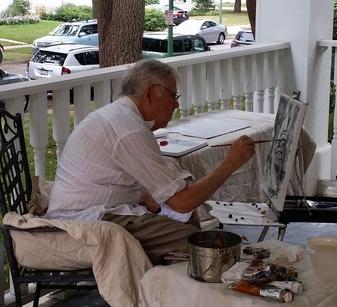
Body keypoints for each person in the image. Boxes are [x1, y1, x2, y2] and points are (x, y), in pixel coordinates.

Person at [46, 59, 255, 265]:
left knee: (186, 222)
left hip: (91, 211)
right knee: (195, 244)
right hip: (83, 220)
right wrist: (230, 163)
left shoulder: (122, 116)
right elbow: (182, 203)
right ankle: (157, 294)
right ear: (149, 93)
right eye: (173, 95)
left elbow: (153, 194)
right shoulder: (129, 128)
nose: (176, 104)